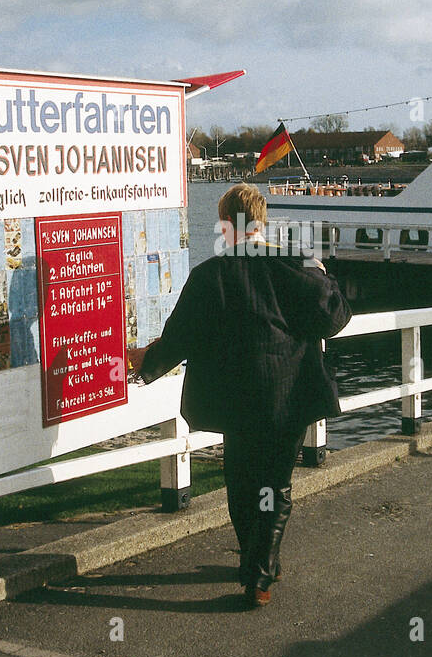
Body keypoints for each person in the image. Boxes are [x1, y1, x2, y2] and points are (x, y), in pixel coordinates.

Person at [132, 183, 352, 609]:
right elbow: (333, 318)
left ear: (224, 223)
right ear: (261, 221)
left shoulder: (210, 274)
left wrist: (143, 365)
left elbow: (180, 339)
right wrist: (325, 276)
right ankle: (261, 570)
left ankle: (257, 564)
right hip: (288, 395)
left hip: (236, 399)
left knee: (242, 481)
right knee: (276, 484)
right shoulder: (293, 265)